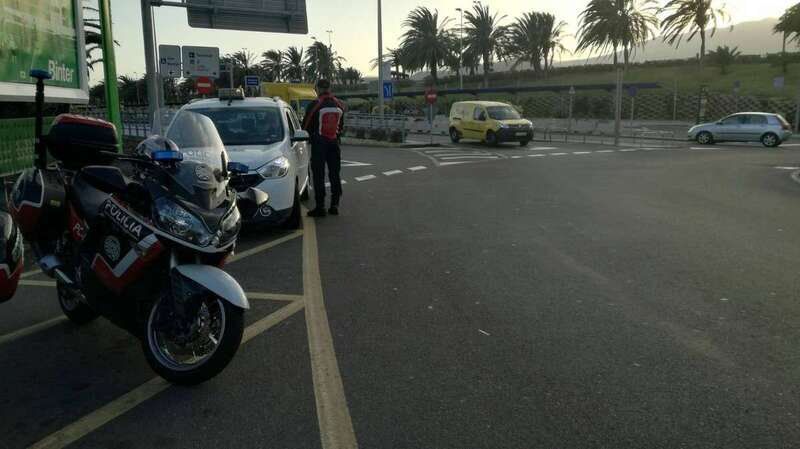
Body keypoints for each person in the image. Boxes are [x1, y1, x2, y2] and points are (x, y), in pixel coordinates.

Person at [302, 79, 345, 217]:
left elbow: (305, 127)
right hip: (334, 143)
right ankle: (335, 205)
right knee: (334, 173)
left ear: (318, 88)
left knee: (319, 175)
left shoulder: (315, 105)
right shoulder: (339, 104)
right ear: (330, 88)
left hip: (319, 144)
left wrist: (310, 137)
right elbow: (341, 127)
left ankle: (320, 207)